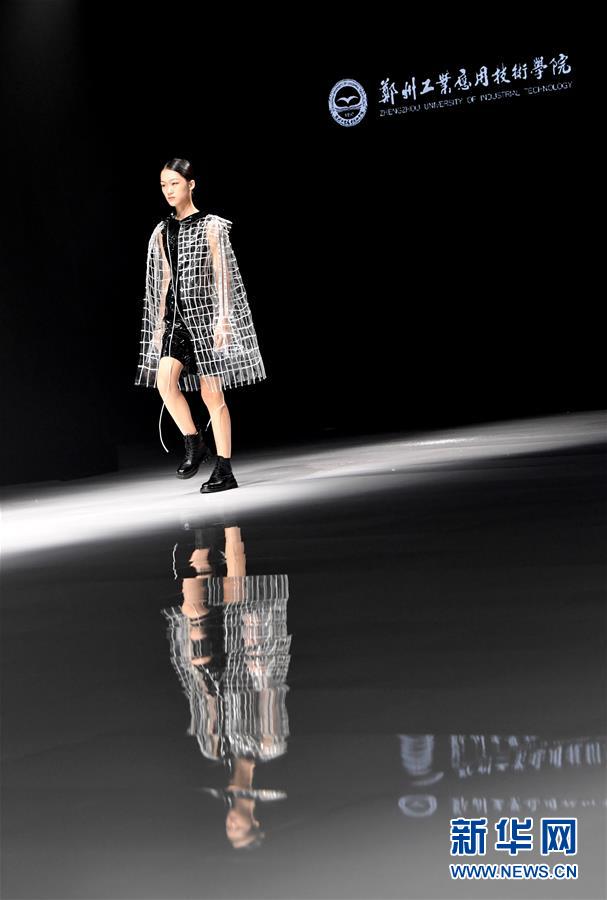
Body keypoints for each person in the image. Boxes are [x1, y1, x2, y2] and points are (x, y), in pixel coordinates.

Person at [134, 158, 267, 492]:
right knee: (165, 382)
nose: (168, 191)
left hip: (206, 318)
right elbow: (165, 278)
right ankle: (194, 441)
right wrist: (158, 324)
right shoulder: (163, 230)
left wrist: (224, 318)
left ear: (191, 184)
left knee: (212, 393)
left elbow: (223, 274)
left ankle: (225, 469)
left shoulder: (211, 226)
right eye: (163, 185)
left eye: (174, 183)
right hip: (176, 320)